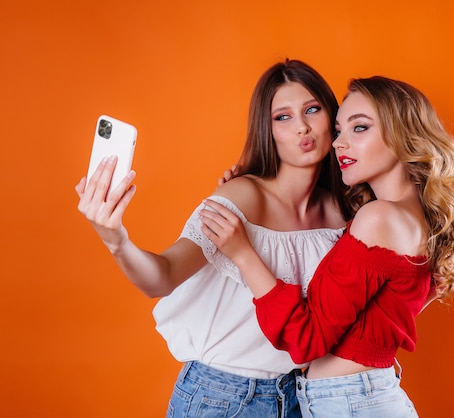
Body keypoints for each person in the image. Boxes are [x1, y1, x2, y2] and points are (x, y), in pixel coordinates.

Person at [75, 59, 353, 417]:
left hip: (302, 396)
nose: (302, 127)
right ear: (267, 131)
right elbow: (161, 276)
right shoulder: (241, 196)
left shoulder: (343, 214)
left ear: (332, 118)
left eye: (312, 109)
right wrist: (116, 239)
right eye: (283, 117)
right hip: (223, 397)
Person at [199, 76, 454, 417]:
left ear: (402, 134)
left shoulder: (378, 218)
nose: (338, 144)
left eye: (359, 128)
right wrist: (256, 194)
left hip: (354, 404)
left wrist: (243, 253)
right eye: (338, 130)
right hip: (365, 397)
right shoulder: (413, 217)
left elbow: (306, 340)